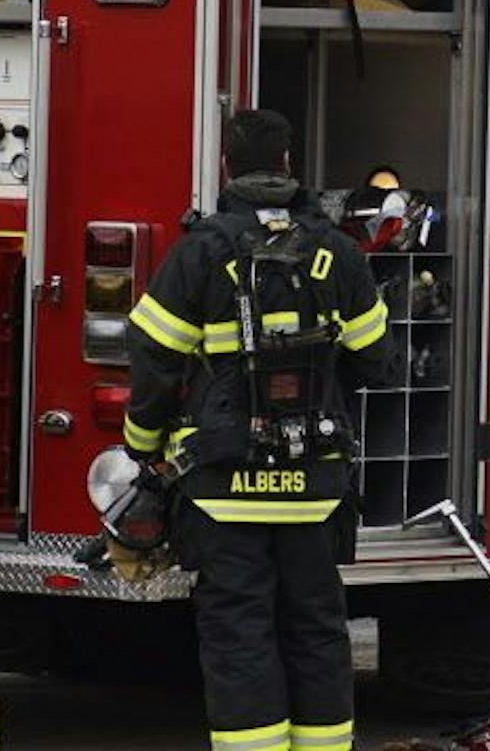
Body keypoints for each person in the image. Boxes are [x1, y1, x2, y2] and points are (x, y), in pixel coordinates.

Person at [125, 109, 398, 751]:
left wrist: (143, 450)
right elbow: (377, 362)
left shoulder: (200, 252)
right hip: (315, 489)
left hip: (223, 489)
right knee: (317, 629)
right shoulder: (340, 253)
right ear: (286, 166)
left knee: (239, 634)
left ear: (226, 169)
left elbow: (155, 362)